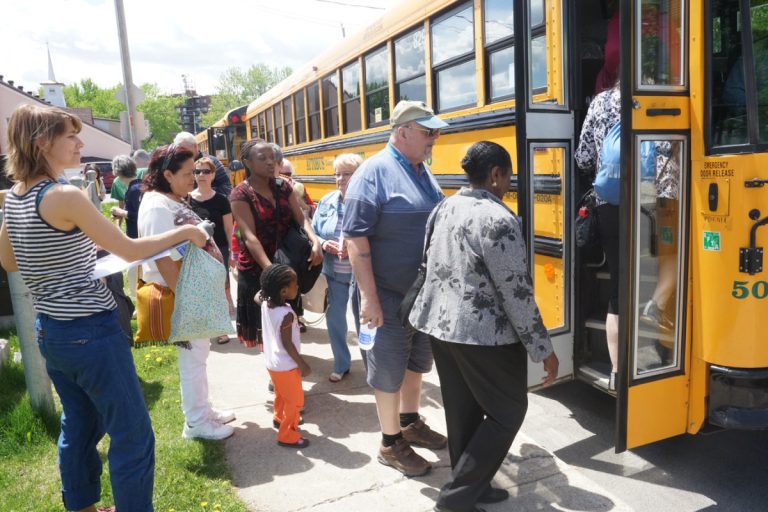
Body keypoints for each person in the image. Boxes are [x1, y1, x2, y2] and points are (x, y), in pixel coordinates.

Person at [0, 103, 208, 512]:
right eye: (71, 136)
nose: (80, 142)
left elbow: (9, 261)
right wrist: (186, 231)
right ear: (43, 143)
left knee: (79, 423)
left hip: (52, 331)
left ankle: (81, 505)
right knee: (132, 434)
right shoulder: (65, 195)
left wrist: (72, 255)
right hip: (91, 331)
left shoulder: (15, 197)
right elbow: (129, 248)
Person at [409, 141, 559, 512]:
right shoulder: (499, 219)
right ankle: (456, 499)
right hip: (484, 335)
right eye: (508, 176)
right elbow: (517, 292)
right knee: (508, 411)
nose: (508, 184)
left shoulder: (445, 206)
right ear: (495, 175)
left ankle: (474, 487)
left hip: (440, 327)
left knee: (463, 410)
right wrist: (544, 349)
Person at [342, 100, 449, 477]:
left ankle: (409, 421)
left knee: (416, 363)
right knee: (387, 370)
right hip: (384, 296)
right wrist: (369, 299)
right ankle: (390, 443)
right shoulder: (373, 174)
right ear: (402, 131)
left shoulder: (422, 170)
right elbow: (355, 240)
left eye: (435, 131)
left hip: (419, 295)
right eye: (427, 132)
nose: (434, 138)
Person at [138, 144, 236, 441]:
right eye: (187, 173)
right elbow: (161, 255)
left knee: (200, 356)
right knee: (192, 360)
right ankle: (195, 423)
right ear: (166, 174)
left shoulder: (169, 199)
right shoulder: (156, 205)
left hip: (192, 291)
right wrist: (186, 299)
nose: (193, 178)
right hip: (181, 294)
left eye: (196, 171)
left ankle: (204, 411)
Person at [229, 138, 322, 349]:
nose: (271, 162)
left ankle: (286, 365)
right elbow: (249, 237)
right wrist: (272, 273)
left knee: (287, 323)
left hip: (288, 262)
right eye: (263, 158)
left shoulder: (284, 186)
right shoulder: (240, 194)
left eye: (273, 157)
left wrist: (315, 241)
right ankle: (277, 374)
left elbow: (301, 219)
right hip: (258, 270)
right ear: (247, 162)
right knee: (266, 330)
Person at [575, 82, 621, 389]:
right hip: (656, 201)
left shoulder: (602, 101)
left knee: (619, 289)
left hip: (611, 203)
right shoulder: (664, 93)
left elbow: (583, 158)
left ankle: (618, 371)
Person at [311, 153, 363, 383]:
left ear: (358, 175)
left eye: (346, 174)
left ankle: (374, 367)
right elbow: (313, 232)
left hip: (361, 276)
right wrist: (323, 243)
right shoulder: (327, 200)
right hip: (334, 274)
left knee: (365, 324)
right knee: (335, 322)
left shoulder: (366, 201)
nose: (340, 179)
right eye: (337, 174)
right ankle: (341, 363)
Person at [258, 264, 311, 448]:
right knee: (295, 402)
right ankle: (288, 435)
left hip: (272, 363)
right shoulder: (286, 314)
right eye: (295, 283)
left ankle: (279, 419)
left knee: (281, 395)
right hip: (286, 365)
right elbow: (288, 344)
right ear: (283, 291)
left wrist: (267, 287)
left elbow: (257, 295)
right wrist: (302, 364)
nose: (298, 286)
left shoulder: (265, 303)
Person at [190, 156, 236, 341]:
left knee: (218, 288)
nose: (201, 175)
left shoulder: (222, 200)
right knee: (200, 289)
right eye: (197, 171)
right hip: (196, 251)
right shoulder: (186, 199)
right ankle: (203, 327)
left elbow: (228, 228)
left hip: (219, 251)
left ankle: (220, 329)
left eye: (206, 171)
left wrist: (232, 253)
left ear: (213, 175)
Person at [174, 131, 231, 197]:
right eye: (178, 150)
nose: (181, 153)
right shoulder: (177, 165)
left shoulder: (213, 161)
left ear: (195, 146)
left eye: (206, 172)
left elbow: (226, 186)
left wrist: (206, 194)